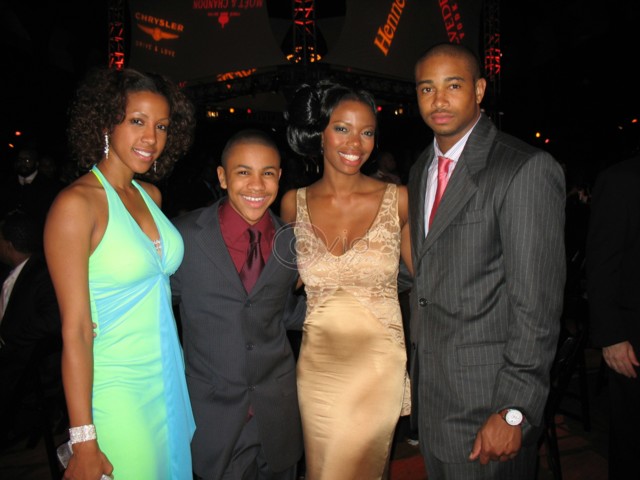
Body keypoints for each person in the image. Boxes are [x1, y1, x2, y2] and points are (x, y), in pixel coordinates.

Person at [407, 42, 565, 479]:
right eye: (426, 88)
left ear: (478, 90)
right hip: (435, 399)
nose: (438, 100)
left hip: (488, 406)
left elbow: (537, 306)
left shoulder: (523, 169)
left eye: (452, 86)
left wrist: (513, 410)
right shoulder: (421, 168)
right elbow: (426, 273)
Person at [43, 67, 196, 480]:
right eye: (137, 121)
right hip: (117, 387)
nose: (151, 138)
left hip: (167, 378)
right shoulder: (77, 205)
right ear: (106, 121)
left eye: (161, 126)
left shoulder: (151, 195)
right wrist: (83, 438)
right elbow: (74, 330)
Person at [280, 81, 412, 480]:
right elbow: (281, 279)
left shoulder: (399, 199)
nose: (357, 142)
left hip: (377, 366)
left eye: (367, 131)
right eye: (342, 128)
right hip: (318, 367)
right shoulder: (292, 203)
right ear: (319, 132)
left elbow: (432, 280)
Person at [171, 129, 305, 480]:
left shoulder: (293, 243)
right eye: (243, 172)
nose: (257, 185)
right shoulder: (183, 237)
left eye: (268, 173)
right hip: (213, 418)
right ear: (222, 177)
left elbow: (285, 312)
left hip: (277, 416)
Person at [585, 154, 640, 480]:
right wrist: (611, 337)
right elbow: (602, 263)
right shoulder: (623, 179)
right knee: (633, 437)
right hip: (633, 335)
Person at [0, 210, 61, 444]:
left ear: (9, 245)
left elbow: (53, 321)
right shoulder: (12, 273)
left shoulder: (42, 273)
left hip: (26, 367)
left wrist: (7, 339)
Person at [0, 145, 63, 230]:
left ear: (36, 163)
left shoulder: (49, 186)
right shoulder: (8, 184)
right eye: (20, 160)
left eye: (27, 160)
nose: (22, 163)